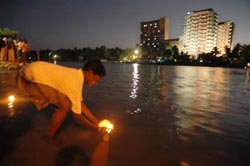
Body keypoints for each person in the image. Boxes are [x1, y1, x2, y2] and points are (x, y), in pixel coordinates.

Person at [17, 59, 106, 144]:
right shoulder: (74, 82)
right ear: (90, 73)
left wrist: (98, 122)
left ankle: (54, 126)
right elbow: (77, 118)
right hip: (27, 78)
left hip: (27, 71)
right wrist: (96, 129)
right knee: (65, 105)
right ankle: (48, 136)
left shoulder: (75, 75)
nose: (96, 83)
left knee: (64, 103)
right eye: (96, 80)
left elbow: (80, 103)